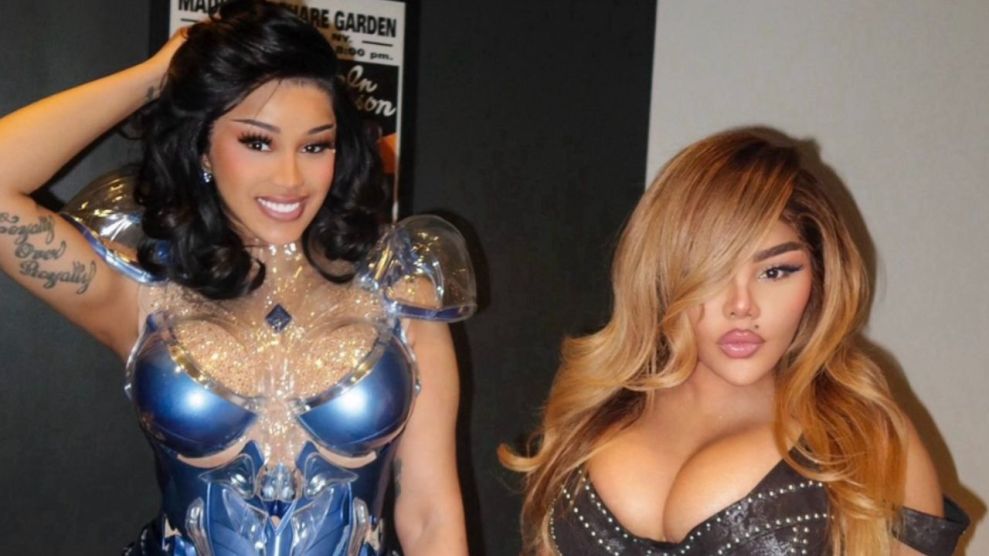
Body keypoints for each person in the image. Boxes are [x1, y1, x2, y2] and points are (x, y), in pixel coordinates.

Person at [0, 1, 474, 554]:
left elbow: (431, 515)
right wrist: (158, 75)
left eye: (315, 145)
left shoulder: (401, 287)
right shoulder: (146, 292)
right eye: (257, 142)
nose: (290, 178)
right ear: (204, 145)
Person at [500, 130, 968, 555]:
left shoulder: (867, 437)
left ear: (820, 275)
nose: (742, 306)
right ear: (662, 275)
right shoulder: (594, 411)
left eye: (775, 271)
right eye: (713, 272)